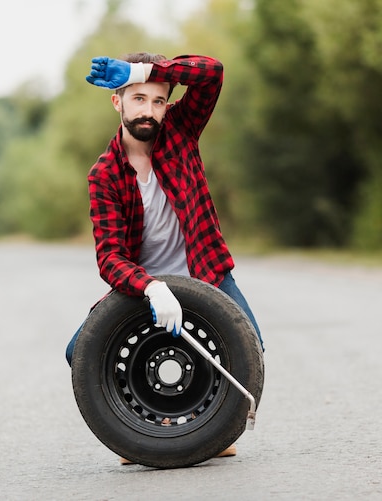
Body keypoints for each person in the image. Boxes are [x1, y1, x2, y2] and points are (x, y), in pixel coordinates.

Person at [66, 53, 264, 461]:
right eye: (138, 98)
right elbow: (110, 258)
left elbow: (212, 74)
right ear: (116, 102)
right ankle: (136, 430)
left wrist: (144, 73)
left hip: (204, 273)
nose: (149, 111)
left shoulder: (180, 130)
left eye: (158, 100)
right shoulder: (104, 174)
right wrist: (151, 287)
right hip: (145, 285)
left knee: (251, 346)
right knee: (78, 351)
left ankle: (212, 430)